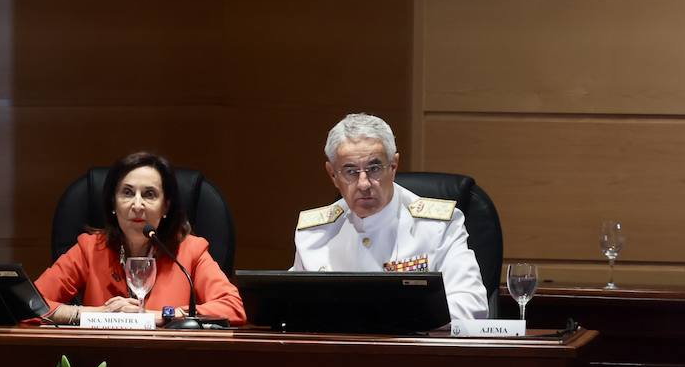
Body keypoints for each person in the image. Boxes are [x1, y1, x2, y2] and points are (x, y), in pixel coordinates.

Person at [291, 113, 488, 320]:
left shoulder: (438, 226)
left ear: (393, 167)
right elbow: (291, 306)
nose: (364, 183)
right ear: (333, 175)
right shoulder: (314, 233)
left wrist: (388, 317)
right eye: (350, 171)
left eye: (374, 169)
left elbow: (472, 304)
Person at [37, 152, 246, 326]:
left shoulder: (190, 251)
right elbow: (28, 305)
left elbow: (232, 307)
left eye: (149, 194)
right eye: (127, 193)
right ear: (113, 203)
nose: (137, 205)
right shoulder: (89, 249)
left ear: (166, 206)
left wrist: (164, 315)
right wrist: (92, 314)